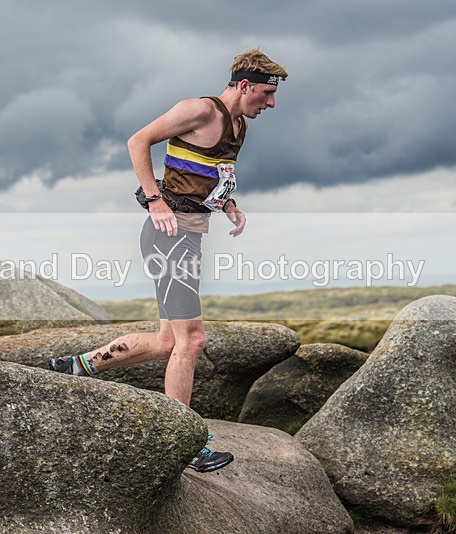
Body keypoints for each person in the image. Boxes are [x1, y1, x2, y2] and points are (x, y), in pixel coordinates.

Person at [50, 49, 287, 473]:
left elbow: (207, 172)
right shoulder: (199, 110)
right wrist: (154, 200)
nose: (270, 103)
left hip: (189, 235)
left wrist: (228, 204)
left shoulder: (239, 126)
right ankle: (185, 444)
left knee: (166, 342)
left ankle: (77, 366)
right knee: (191, 340)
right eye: (266, 94)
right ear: (244, 86)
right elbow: (137, 140)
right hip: (169, 235)